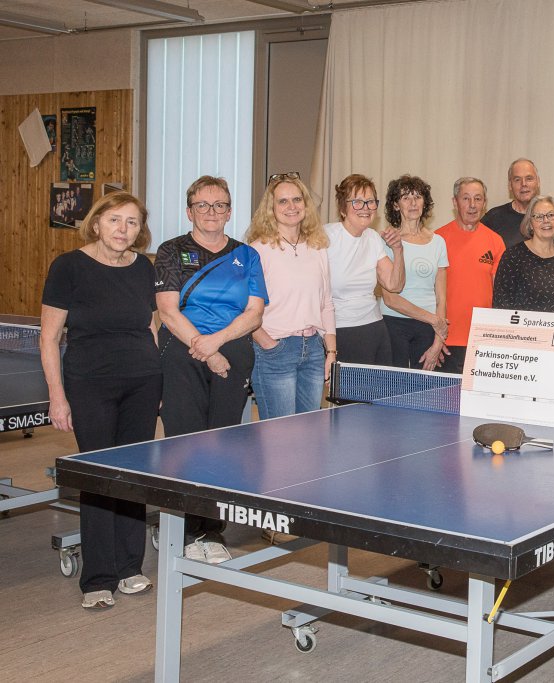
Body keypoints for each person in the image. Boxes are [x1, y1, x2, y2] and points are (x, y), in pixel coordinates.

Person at [40, 191, 162, 609]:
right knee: (98, 475)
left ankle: (130, 568)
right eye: (115, 220)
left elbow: (151, 327)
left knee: (133, 473)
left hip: (143, 383)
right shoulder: (68, 267)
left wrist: (159, 381)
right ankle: (98, 577)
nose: (123, 230)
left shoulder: (143, 268)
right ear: (96, 223)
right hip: (89, 383)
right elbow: (49, 338)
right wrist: (58, 397)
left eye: (131, 222)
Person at [155, 176, 268, 564]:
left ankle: (209, 530)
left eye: (220, 205)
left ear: (229, 211)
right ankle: (182, 529)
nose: (212, 212)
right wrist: (203, 348)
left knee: (221, 443)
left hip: (232, 349)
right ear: (190, 211)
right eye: (203, 205)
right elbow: (168, 311)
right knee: (184, 440)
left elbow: (254, 313)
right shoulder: (171, 251)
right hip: (182, 350)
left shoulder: (246, 255)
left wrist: (217, 343)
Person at [246, 172, 336, 419]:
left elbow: (326, 303)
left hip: (314, 350)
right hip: (276, 349)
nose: (291, 206)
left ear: (306, 205)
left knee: (308, 433)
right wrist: (268, 344)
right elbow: (244, 308)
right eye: (283, 201)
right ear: (270, 208)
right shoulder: (257, 250)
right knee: (280, 437)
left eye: (297, 199)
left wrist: (331, 352)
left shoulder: (318, 247)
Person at [325, 174, 405, 364]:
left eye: (370, 202)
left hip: (374, 326)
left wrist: (398, 250)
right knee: (347, 393)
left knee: (381, 391)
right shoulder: (326, 236)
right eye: (357, 202)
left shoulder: (373, 238)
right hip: (340, 329)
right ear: (343, 208)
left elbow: (395, 285)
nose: (365, 208)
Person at [435, 177, 506, 373]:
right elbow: (428, 293)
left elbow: (499, 296)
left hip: (482, 340)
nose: (472, 205)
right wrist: (435, 339)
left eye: (478, 199)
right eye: (466, 198)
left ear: (485, 203)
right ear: (454, 202)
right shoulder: (438, 240)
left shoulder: (496, 241)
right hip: (446, 341)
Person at [379, 175, 449, 370]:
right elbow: (390, 299)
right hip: (393, 323)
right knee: (393, 388)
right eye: (405, 197)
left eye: (418, 197)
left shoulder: (438, 242)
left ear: (425, 203)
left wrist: (437, 343)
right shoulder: (387, 240)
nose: (412, 203)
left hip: (428, 329)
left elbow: (441, 299)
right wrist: (434, 320)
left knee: (423, 391)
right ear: (395, 205)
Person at [493, 195, 554, 314]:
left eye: (551, 215)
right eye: (538, 217)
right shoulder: (512, 257)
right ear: (530, 223)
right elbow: (501, 306)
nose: (546, 220)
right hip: (523, 332)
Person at [481, 158, 554, 250]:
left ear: (538, 182)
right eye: (517, 179)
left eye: (529, 178)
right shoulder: (494, 218)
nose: (523, 184)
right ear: (510, 185)